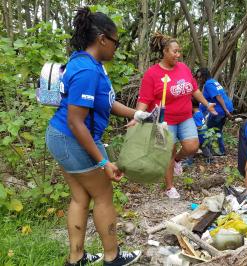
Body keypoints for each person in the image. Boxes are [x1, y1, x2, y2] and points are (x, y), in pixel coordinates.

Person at [45, 7, 144, 266]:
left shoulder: (89, 63)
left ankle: (76, 258)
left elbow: (108, 102)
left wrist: (138, 114)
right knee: (103, 195)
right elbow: (76, 122)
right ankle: (113, 257)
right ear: (102, 39)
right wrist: (102, 161)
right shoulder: (87, 70)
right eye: (116, 42)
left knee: (80, 196)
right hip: (71, 138)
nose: (116, 47)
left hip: (63, 137)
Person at [131, 33, 217, 199]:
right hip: (164, 121)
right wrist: (136, 116)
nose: (178, 55)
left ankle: (178, 160)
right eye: (175, 51)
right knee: (167, 153)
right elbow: (144, 99)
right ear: (164, 51)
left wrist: (207, 104)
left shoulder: (183, 68)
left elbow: (194, 89)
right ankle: (170, 187)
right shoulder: (152, 74)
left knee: (192, 146)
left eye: (179, 52)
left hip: (185, 117)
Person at [196, 68, 234, 155]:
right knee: (218, 131)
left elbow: (218, 97)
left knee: (206, 131)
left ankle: (209, 153)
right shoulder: (214, 82)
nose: (199, 79)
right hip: (221, 111)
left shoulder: (209, 84)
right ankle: (221, 151)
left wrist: (226, 110)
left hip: (218, 111)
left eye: (200, 77)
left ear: (204, 76)